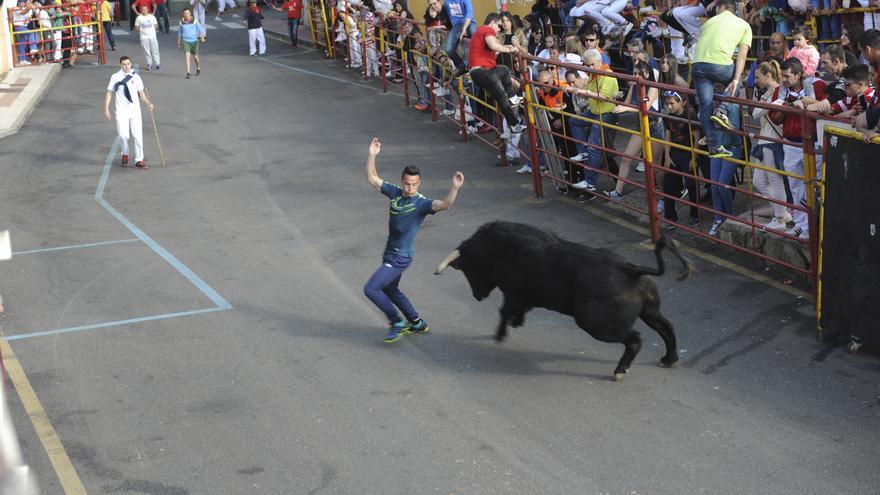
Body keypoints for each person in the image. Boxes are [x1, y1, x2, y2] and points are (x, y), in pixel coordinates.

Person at [363, 137, 464, 343]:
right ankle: (417, 323)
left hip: (401, 256)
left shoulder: (422, 204)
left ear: (419, 183)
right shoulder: (395, 193)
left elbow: (445, 204)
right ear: (402, 182)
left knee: (371, 289)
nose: (410, 188)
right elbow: (373, 177)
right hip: (390, 253)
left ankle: (396, 322)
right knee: (391, 289)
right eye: (407, 184)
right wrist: (372, 154)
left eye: (414, 184)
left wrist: (454, 188)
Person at [691, 0, 752, 158]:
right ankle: (722, 110)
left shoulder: (708, 23)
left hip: (697, 65)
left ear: (721, 8)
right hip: (719, 66)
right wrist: (736, 80)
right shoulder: (744, 24)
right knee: (737, 80)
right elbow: (742, 57)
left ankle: (714, 145)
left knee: (705, 106)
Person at [566, 48, 619, 192]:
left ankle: (590, 182)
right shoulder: (592, 76)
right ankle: (582, 151)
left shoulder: (607, 75)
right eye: (587, 65)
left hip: (607, 113)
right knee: (574, 121)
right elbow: (590, 93)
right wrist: (578, 90)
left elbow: (603, 96)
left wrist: (585, 92)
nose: (590, 68)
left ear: (599, 62)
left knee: (595, 147)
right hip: (595, 112)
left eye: (592, 65)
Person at [467, 13, 526, 138]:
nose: (499, 29)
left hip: (480, 73)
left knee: (502, 90)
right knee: (503, 89)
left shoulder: (480, 33)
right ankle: (513, 105)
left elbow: (494, 50)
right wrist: (510, 49)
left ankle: (514, 124)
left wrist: (505, 46)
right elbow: (493, 45)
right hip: (483, 72)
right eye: (498, 25)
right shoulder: (487, 29)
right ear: (493, 22)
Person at [750, 59, 791, 231]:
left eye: (758, 77)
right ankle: (782, 212)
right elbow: (755, 112)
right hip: (764, 140)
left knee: (775, 181)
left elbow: (756, 112)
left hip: (773, 140)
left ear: (768, 75)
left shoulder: (777, 92)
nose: (755, 80)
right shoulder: (767, 91)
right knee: (758, 181)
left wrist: (767, 103)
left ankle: (780, 218)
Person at [104, 55, 154, 169]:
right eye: (124, 64)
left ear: (131, 64)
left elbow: (141, 94)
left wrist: (148, 104)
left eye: (128, 64)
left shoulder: (136, 78)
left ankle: (139, 160)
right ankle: (125, 153)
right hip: (121, 111)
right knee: (123, 135)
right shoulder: (115, 77)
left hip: (135, 110)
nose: (126, 66)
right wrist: (106, 108)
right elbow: (109, 93)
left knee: (137, 135)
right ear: (120, 65)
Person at [660, 90, 701, 229]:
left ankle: (695, 214)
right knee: (668, 186)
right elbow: (667, 137)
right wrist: (667, 157)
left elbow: (696, 138)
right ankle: (671, 217)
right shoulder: (668, 117)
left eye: (672, 103)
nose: (669, 106)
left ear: (679, 102)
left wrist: (694, 158)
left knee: (691, 184)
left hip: (688, 154)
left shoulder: (690, 115)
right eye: (667, 104)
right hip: (674, 154)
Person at [443, 0, 476, 76]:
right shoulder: (446, 1)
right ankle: (462, 67)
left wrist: (464, 28)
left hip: (469, 22)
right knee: (448, 49)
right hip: (457, 26)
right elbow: (449, 17)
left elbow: (470, 12)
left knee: (477, 40)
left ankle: (481, 65)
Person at [177, 7, 205, 78]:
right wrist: (178, 42)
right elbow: (180, 32)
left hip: (195, 41)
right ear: (183, 14)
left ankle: (198, 67)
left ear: (190, 13)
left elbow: (200, 30)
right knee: (187, 56)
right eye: (185, 13)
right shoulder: (181, 22)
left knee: (195, 57)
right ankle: (188, 73)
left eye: (188, 13)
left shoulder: (195, 21)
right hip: (186, 41)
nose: (187, 14)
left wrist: (202, 37)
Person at [135, 4, 160, 70]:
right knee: (147, 51)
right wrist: (142, 30)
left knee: (155, 50)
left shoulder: (152, 17)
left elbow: (156, 25)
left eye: (145, 9)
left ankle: (157, 64)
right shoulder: (139, 18)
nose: (144, 10)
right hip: (144, 37)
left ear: (147, 10)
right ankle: (149, 64)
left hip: (152, 36)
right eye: (143, 9)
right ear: (141, 10)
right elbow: (136, 27)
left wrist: (151, 29)